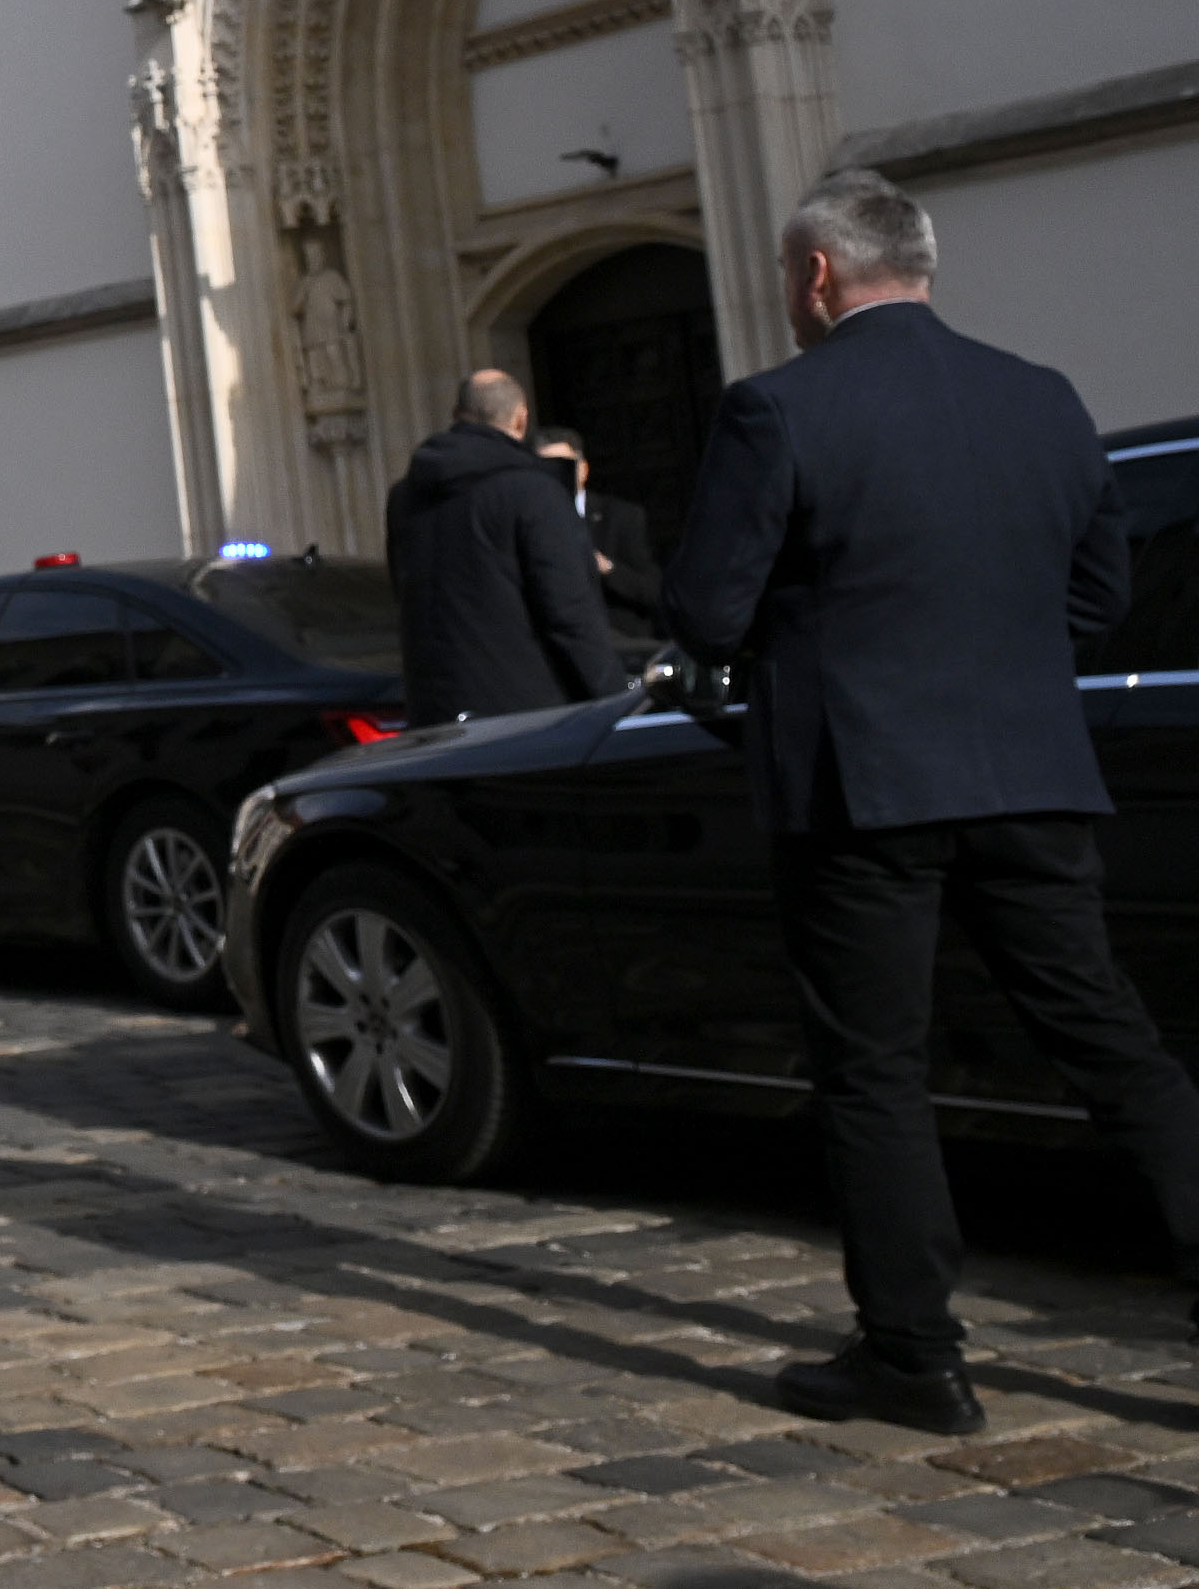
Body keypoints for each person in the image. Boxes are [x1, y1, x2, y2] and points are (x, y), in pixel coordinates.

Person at [667, 169, 1177, 1436]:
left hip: (862, 784)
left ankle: (912, 1352)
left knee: (875, 1071)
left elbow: (701, 612)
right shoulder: (1041, 397)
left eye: (794, 280)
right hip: (1027, 769)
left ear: (818, 276)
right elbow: (1095, 597)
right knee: (1110, 1042)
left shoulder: (775, 407)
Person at [384, 369, 626, 724]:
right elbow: (569, 611)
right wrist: (616, 700)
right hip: (526, 717)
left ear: (456, 416)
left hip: (435, 712)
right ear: (521, 419)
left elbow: (401, 591)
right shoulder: (533, 492)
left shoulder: (404, 497)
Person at [531, 421, 663, 647]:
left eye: (563, 466)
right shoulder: (529, 522)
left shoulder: (620, 517)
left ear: (582, 469)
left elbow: (653, 591)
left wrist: (606, 568)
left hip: (621, 642)